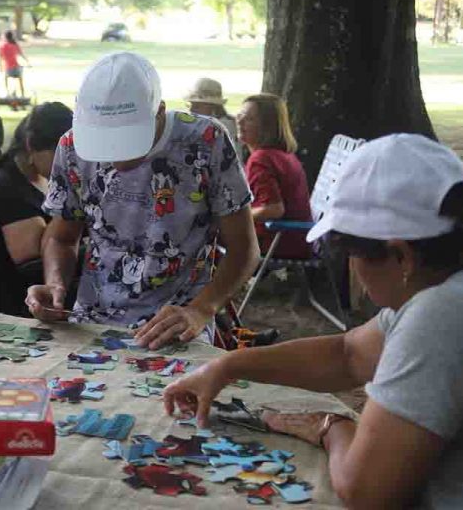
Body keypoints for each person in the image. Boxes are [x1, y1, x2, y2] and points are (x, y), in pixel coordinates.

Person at [162, 133, 463, 509]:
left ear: (402, 257)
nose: (353, 270)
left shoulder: (440, 313)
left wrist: (330, 427)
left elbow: (365, 490)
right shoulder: (441, 292)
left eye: (353, 254)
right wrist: (227, 365)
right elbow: (348, 353)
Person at [26, 52, 259, 350]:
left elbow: (245, 249)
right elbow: (61, 238)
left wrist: (201, 309)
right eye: (103, 144)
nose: (115, 157)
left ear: (159, 112)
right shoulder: (72, 147)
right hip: (90, 320)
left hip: (178, 325)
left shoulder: (207, 141)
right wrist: (56, 283)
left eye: (127, 143)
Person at [0, 102, 73, 266]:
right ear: (30, 145)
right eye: (60, 155)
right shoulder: (6, 189)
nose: (69, 164)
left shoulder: (50, 178)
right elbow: (33, 263)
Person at [238, 93, 312, 259]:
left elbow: (273, 209)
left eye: (249, 119)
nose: (240, 122)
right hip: (296, 241)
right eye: (240, 116)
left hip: (277, 243)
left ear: (267, 126)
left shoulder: (261, 158)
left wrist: (234, 217)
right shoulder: (283, 155)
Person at [185, 77, 240, 158]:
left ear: (213, 107)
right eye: (190, 105)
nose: (191, 110)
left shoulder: (223, 126)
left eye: (196, 106)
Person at [0, 30, 30, 97]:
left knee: (6, 78)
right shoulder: (15, 45)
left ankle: (7, 93)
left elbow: (0, 59)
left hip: (8, 68)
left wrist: (0, 68)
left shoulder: (2, 46)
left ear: (5, 37)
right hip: (17, 68)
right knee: (20, 79)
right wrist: (28, 62)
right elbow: (22, 54)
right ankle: (22, 94)